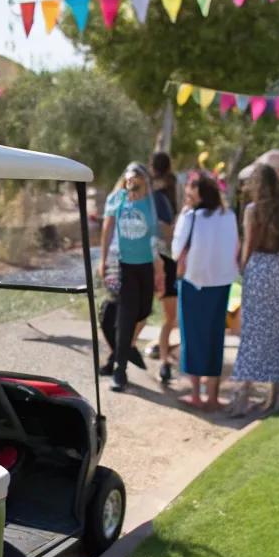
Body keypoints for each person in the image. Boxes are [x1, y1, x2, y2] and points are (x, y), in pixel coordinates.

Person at [229, 164, 279, 415]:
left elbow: (248, 245)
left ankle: (242, 397)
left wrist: (241, 270)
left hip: (258, 268)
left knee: (252, 335)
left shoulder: (252, 210)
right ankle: (278, 395)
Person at [171, 171, 238, 408]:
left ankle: (197, 395)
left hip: (193, 281)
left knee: (192, 337)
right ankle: (212, 395)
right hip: (221, 282)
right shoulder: (228, 215)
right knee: (214, 337)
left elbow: (176, 249)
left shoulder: (190, 216)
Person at [100, 163, 163, 392]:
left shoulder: (149, 202)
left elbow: (154, 235)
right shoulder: (117, 199)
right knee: (126, 316)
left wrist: (159, 268)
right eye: (128, 180)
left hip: (144, 265)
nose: (132, 184)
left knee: (143, 312)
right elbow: (107, 230)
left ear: (145, 181)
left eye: (136, 180)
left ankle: (121, 351)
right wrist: (103, 259)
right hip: (123, 264)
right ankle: (120, 371)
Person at [149, 151, 179, 379]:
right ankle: (164, 360)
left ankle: (121, 354)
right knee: (169, 315)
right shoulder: (168, 189)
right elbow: (168, 225)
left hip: (149, 255)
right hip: (165, 256)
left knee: (143, 312)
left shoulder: (150, 190)